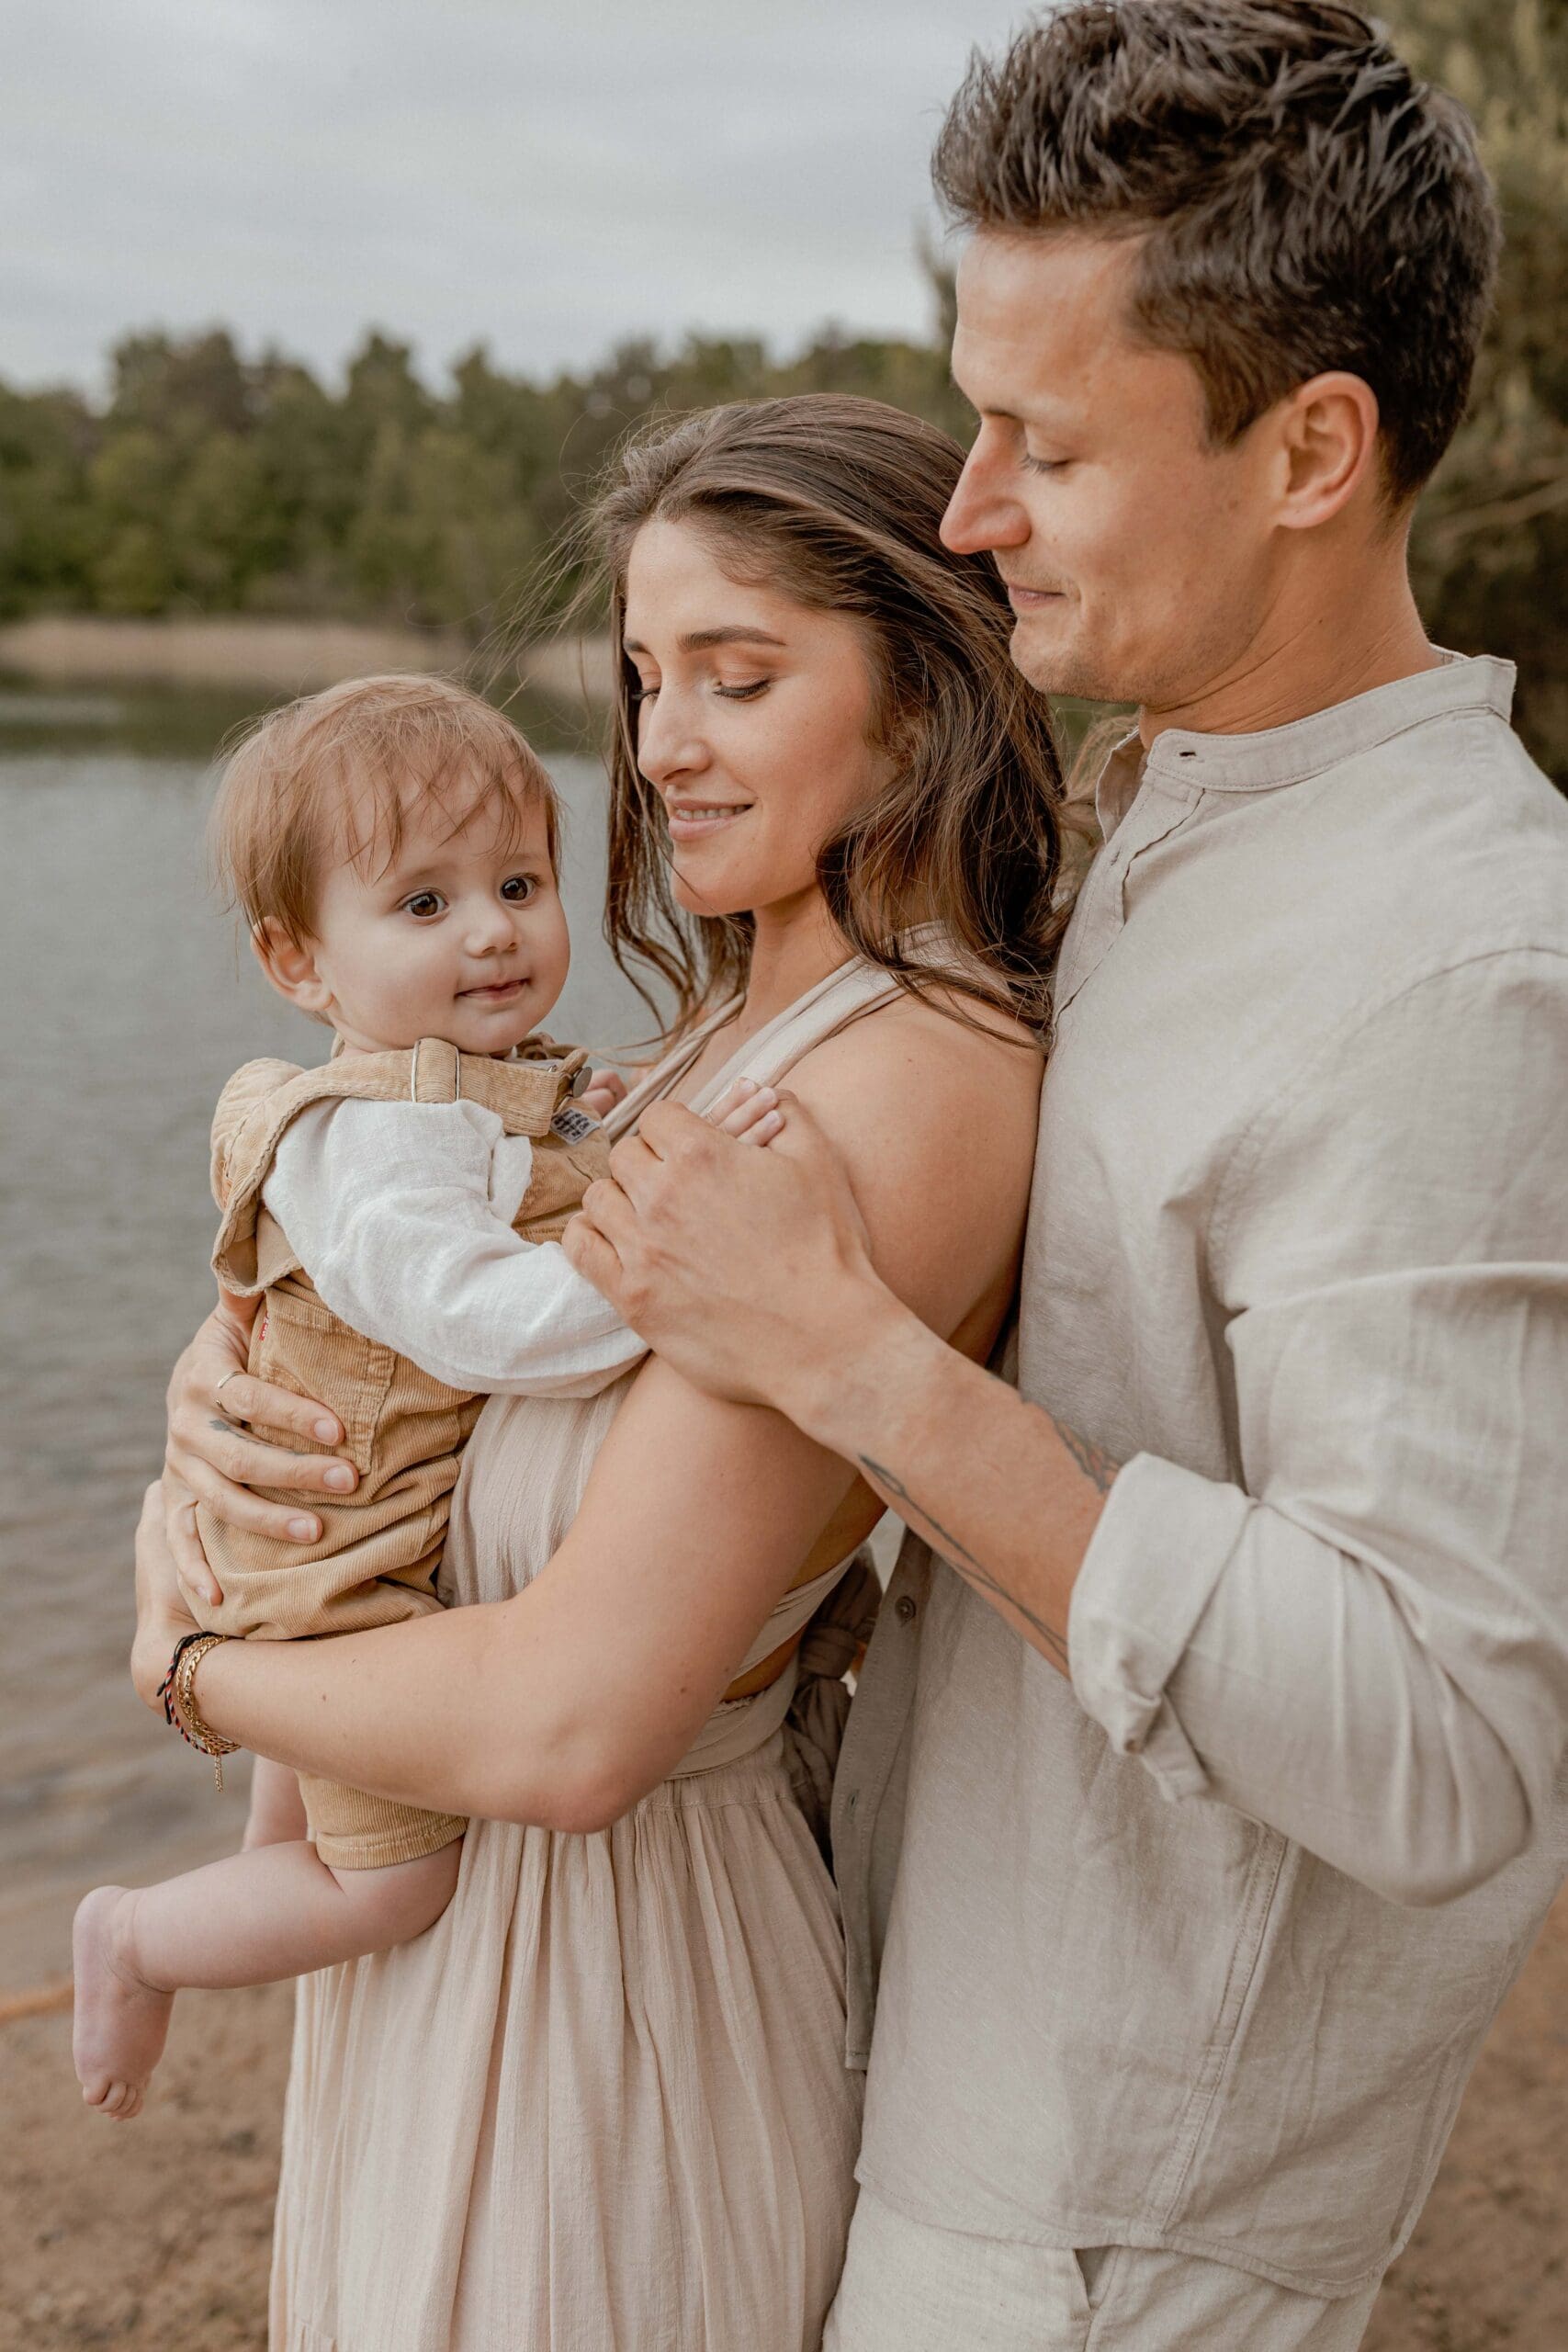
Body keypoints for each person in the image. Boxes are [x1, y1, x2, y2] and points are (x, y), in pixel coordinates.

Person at [565, 7, 1568, 2348]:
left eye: (1047, 443)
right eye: (972, 419)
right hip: (930, 2081)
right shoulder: (1157, 818)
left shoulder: (1457, 961)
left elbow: (1444, 1750)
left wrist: (854, 1358)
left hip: (1100, 2231)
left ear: (1309, 449)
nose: (966, 510)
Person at [132, 396, 1071, 2349]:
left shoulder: (904, 1079)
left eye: (737, 676)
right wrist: (215, 1411)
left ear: (921, 699)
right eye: (644, 679)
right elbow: (434, 1335)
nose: (657, 747)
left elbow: (574, 1726)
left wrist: (192, 1666)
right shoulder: (710, 1039)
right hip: (466, 1941)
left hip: (616, 1985)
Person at [73, 673, 777, 2122]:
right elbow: (480, 1324)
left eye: (518, 883)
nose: (492, 930)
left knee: (297, 1843)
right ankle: (133, 1937)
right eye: (424, 904)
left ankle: (227, 1931)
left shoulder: (467, 1084)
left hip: (338, 1541)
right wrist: (665, 1271)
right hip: (332, 1573)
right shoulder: (380, 1148)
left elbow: (534, 1151)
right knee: (388, 1888)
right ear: (297, 961)